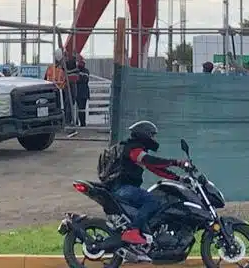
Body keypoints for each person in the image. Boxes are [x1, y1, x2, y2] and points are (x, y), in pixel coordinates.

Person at [98, 120, 188, 260]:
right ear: (144, 135)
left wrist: (178, 179)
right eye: (152, 135)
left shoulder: (137, 150)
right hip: (122, 188)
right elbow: (151, 161)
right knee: (152, 200)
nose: (153, 139)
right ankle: (133, 231)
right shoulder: (133, 149)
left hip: (125, 188)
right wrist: (175, 162)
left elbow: (155, 168)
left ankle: (140, 244)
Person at [72, 59, 91, 127]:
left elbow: (84, 80)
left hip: (82, 93)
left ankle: (82, 123)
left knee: (82, 108)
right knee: (78, 108)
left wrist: (78, 78)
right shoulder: (76, 70)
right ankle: (78, 122)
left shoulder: (86, 71)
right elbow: (76, 79)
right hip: (78, 92)